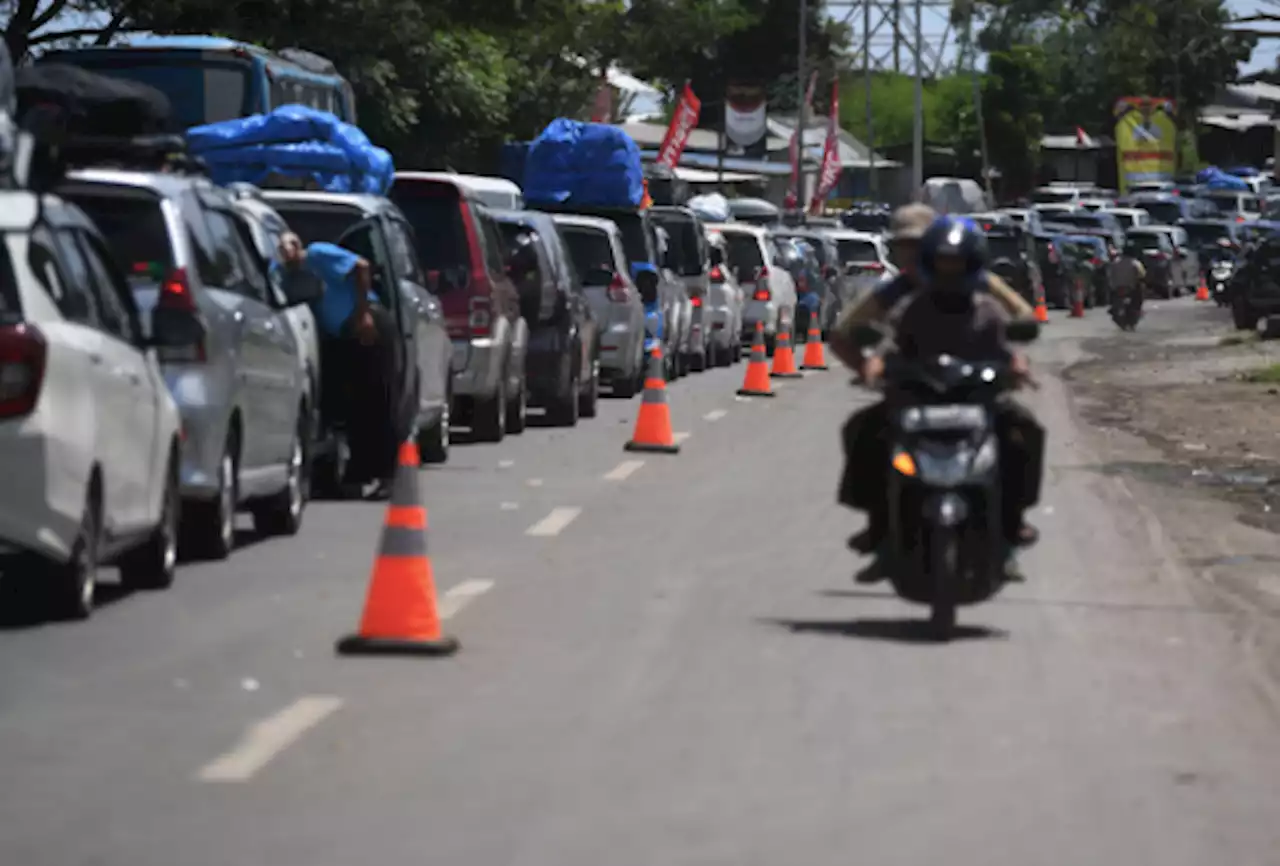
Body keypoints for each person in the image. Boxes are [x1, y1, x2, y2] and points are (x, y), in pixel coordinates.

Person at [837, 214, 1045, 584]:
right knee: (865, 430)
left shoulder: (983, 294)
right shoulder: (900, 298)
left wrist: (1015, 366)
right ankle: (882, 526)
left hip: (975, 392)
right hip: (916, 391)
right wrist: (872, 369)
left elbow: (1016, 326)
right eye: (905, 246)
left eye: (919, 245)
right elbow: (854, 336)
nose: (913, 255)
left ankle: (1009, 527)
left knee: (1023, 431)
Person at [278, 232, 401, 499]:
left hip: (366, 325)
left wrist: (363, 313)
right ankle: (357, 475)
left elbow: (361, 267)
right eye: (280, 249)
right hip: (342, 337)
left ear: (297, 245)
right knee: (353, 408)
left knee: (379, 402)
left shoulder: (318, 254)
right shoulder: (284, 275)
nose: (285, 253)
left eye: (289, 246)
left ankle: (390, 476)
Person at [1107, 242, 1147, 316]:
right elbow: (1142, 275)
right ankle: (1138, 308)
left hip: (1116, 287)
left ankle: (1113, 306)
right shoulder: (1135, 263)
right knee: (1141, 288)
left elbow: (1110, 274)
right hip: (1131, 287)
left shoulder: (1115, 262)